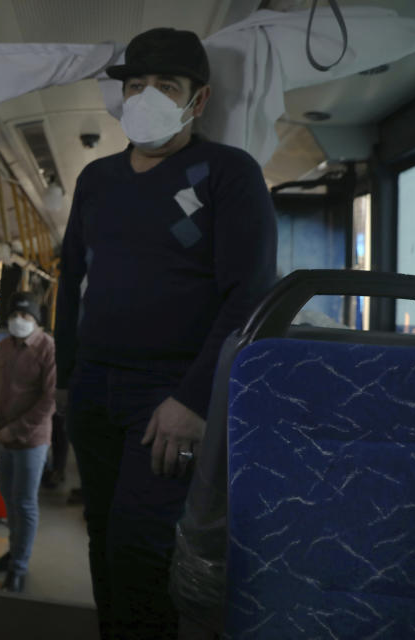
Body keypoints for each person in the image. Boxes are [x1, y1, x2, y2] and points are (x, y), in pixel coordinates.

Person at [54, 27, 277, 639]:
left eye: (166, 85)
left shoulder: (226, 174)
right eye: (135, 85)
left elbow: (249, 295)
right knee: (101, 536)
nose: (146, 96)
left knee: (141, 550)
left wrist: (195, 399)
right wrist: (66, 380)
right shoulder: (97, 181)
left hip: (169, 394)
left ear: (197, 101)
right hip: (94, 387)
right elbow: (71, 280)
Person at [0, 292, 56, 593]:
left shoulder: (47, 348)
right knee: (10, 502)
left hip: (30, 441)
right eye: (15, 316)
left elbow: (49, 400)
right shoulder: (3, 347)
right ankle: (12, 554)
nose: (19, 321)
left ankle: (19, 568)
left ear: (36, 321)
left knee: (24, 503)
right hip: (2, 437)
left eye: (26, 317)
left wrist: (14, 430)